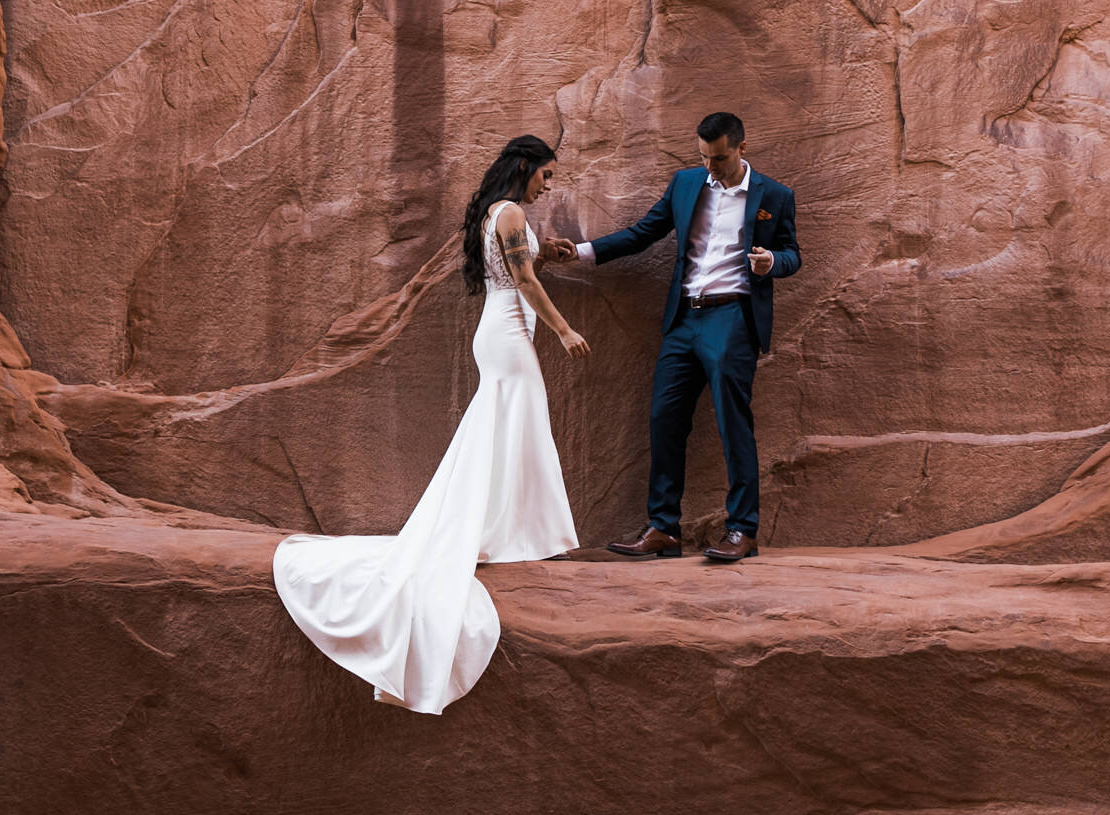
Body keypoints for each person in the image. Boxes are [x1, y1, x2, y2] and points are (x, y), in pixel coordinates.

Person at [273, 134, 590, 713]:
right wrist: (565, 328)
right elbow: (522, 280)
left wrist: (547, 250)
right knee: (518, 421)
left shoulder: (499, 212)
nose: (549, 184)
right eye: (545, 174)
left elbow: (515, 264)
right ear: (525, 168)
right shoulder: (513, 211)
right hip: (509, 333)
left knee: (509, 426)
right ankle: (513, 533)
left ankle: (508, 532)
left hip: (501, 328)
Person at [544, 111, 799, 562]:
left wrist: (772, 263)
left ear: (742, 147)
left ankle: (743, 529)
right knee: (664, 419)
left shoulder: (774, 196)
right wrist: (581, 252)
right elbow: (644, 233)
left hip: (733, 318)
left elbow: (793, 254)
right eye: (703, 157)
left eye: (718, 159)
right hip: (684, 319)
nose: (710, 168)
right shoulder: (685, 184)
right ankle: (664, 528)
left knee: (731, 423)